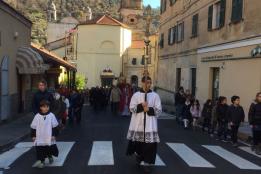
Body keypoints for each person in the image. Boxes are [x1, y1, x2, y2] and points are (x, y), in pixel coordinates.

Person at [126, 76, 162, 173]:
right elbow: (131, 108)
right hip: (138, 124)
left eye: (150, 82)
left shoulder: (155, 96)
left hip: (150, 125)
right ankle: (138, 156)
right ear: (142, 83)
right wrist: (141, 106)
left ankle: (146, 163)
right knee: (138, 144)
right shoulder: (136, 95)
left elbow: (159, 111)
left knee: (149, 146)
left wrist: (149, 110)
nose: (148, 84)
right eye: (146, 82)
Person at [30, 100, 59, 168]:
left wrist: (54, 135)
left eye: (47, 107)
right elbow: (33, 127)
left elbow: (55, 126)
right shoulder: (37, 116)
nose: (46, 108)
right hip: (40, 136)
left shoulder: (51, 115)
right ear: (40, 107)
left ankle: (49, 156)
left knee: (48, 148)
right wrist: (33, 136)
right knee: (40, 149)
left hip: (49, 136)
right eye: (44, 107)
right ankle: (42, 162)